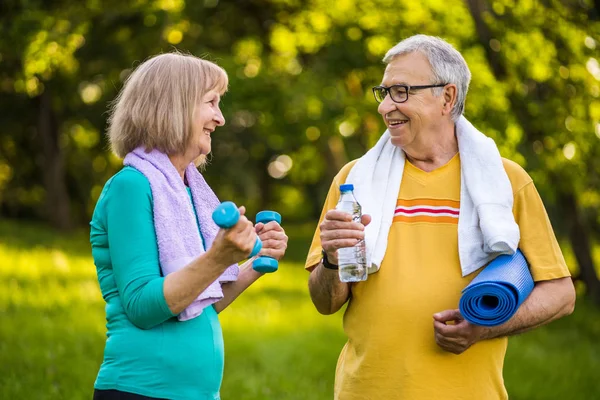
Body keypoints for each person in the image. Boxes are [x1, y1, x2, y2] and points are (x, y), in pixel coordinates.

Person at [305, 34, 575, 400]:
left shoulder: (506, 181)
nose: (386, 107)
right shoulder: (353, 182)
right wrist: (333, 259)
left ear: (447, 97)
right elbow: (325, 302)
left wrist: (484, 328)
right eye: (383, 93)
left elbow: (561, 293)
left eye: (401, 91)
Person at [90, 52, 288, 400]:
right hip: (141, 390)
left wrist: (253, 263)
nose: (220, 118)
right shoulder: (131, 187)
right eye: (211, 102)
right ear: (173, 106)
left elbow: (198, 301)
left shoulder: (185, 193)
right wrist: (218, 257)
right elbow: (143, 305)